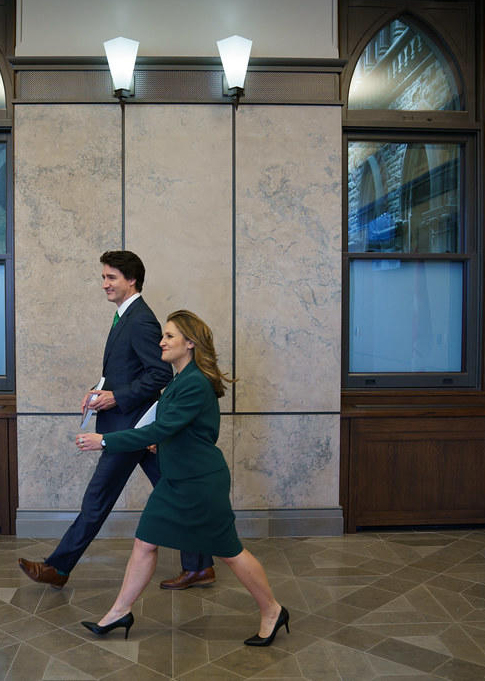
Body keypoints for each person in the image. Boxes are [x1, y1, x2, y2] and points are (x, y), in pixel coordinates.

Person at [74, 310, 289, 646]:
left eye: (169, 336)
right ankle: (119, 612)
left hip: (199, 483)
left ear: (190, 343)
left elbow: (161, 428)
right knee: (145, 542)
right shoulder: (180, 380)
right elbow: (181, 429)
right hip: (176, 481)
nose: (161, 342)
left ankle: (273, 610)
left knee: (230, 552)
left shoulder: (194, 383)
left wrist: (105, 441)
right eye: (163, 335)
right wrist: (161, 442)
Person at [18, 252, 214, 589]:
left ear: (132, 280)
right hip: (134, 428)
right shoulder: (126, 316)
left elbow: (158, 374)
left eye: (111, 278)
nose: (104, 284)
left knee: (97, 499)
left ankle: (58, 568)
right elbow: (126, 371)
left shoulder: (140, 320)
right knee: (176, 490)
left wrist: (116, 397)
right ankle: (199, 566)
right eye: (104, 277)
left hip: (130, 431)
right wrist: (99, 390)